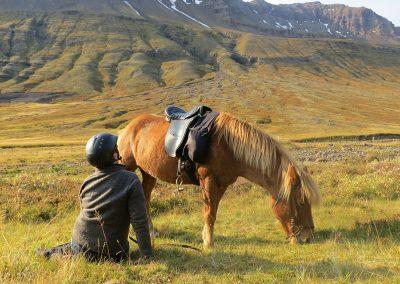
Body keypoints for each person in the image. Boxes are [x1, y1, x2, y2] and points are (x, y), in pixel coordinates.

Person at [38, 133, 153, 262]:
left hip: (80, 246)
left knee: (52, 252)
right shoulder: (131, 180)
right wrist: (146, 254)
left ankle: (51, 254)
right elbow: (139, 221)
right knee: (55, 252)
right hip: (115, 254)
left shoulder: (87, 182)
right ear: (115, 155)